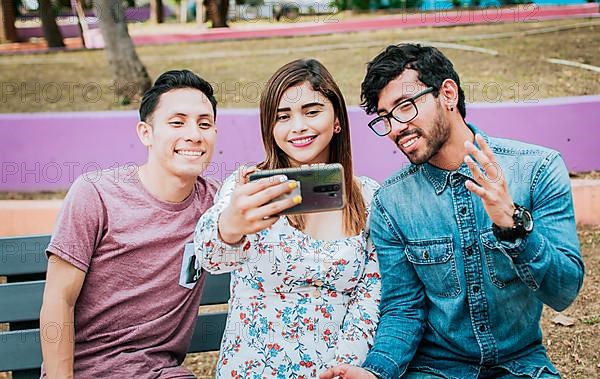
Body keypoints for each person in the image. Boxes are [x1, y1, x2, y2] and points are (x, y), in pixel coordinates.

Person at [321, 44, 584, 379]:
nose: (395, 128)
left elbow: (563, 292)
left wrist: (513, 225)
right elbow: (403, 308)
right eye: (385, 118)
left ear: (447, 93)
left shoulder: (537, 170)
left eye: (404, 107)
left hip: (521, 365)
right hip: (434, 368)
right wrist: (377, 372)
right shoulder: (392, 202)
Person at [194, 59, 381, 378]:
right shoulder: (248, 187)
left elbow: (370, 299)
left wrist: (342, 368)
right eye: (283, 117)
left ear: (337, 120)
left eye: (312, 112)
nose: (298, 127)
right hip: (252, 369)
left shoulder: (368, 198)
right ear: (270, 127)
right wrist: (230, 227)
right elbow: (211, 259)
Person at [40, 70, 220, 378]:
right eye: (177, 122)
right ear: (145, 133)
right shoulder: (96, 193)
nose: (194, 134)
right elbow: (59, 299)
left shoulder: (216, 203)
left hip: (162, 373)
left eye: (205, 124)